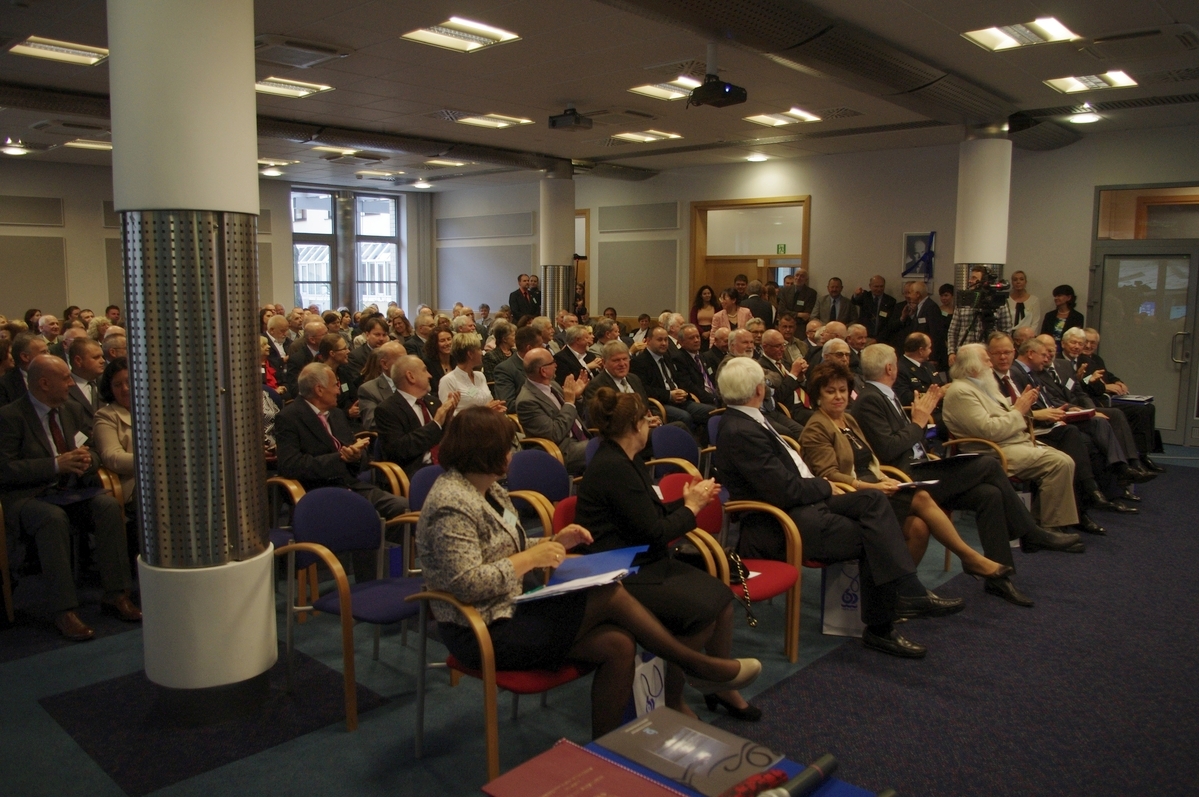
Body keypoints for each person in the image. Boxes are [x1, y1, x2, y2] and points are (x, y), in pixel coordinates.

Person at [417, 406, 760, 737]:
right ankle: (697, 666)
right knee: (607, 592)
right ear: (486, 451)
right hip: (480, 628)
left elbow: (507, 547)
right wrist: (533, 557)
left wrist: (554, 541)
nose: (512, 453)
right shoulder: (451, 502)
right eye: (508, 446)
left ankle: (605, 752)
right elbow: (466, 584)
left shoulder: (489, 488)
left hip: (514, 606)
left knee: (618, 644)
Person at [711, 357, 963, 659]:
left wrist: (824, 487)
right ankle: (882, 626)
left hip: (804, 503)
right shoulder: (741, 430)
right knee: (874, 534)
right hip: (782, 520)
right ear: (758, 390)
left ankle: (907, 591)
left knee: (874, 501)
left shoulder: (751, 419)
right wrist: (825, 485)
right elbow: (784, 490)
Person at [576, 388, 758, 720]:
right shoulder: (613, 467)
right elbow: (655, 532)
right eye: (646, 419)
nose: (650, 424)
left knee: (721, 599)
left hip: (645, 559)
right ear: (636, 425)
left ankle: (718, 686)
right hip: (622, 572)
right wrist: (692, 508)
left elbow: (649, 517)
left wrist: (686, 502)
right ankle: (673, 698)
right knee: (698, 614)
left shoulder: (625, 459)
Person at [851, 344, 1083, 603]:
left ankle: (999, 579)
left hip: (920, 466)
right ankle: (1030, 533)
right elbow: (888, 448)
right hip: (904, 477)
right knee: (988, 464)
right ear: (890, 368)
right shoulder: (870, 398)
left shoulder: (885, 394)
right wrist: (918, 422)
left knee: (989, 494)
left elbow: (911, 439)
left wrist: (921, 422)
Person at [801, 360, 1010, 579]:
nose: (838, 396)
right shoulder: (817, 427)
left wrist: (884, 477)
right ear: (818, 396)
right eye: (830, 391)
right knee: (921, 497)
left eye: (842, 390)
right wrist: (873, 486)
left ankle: (901, 589)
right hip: (851, 494)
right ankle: (970, 558)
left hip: (874, 485)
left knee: (918, 527)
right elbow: (829, 475)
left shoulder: (848, 420)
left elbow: (869, 461)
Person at [0, 355, 140, 640]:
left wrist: (86, 460)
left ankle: (117, 594)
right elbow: (5, 469)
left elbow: (95, 451)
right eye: (65, 378)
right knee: (52, 519)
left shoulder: (71, 410)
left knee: (107, 505)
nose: (71, 384)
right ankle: (64, 610)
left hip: (70, 491)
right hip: (30, 496)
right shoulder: (11, 416)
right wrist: (55, 465)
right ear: (44, 383)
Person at [942, 344, 1085, 540]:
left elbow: (1006, 416)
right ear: (973, 366)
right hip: (990, 451)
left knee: (1065, 458)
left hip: (1012, 442)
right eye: (987, 360)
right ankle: (1049, 527)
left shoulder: (984, 385)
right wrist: (1019, 410)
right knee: (1059, 463)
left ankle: (1039, 523)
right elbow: (989, 431)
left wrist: (1022, 407)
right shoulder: (961, 392)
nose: (991, 364)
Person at [989, 334, 1110, 535]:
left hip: (1031, 429)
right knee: (1073, 439)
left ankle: (1085, 502)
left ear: (1013, 352)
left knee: (1084, 441)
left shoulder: (1012, 375)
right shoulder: (992, 380)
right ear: (989, 356)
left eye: (1007, 352)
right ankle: (1086, 499)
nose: (1003, 357)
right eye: (997, 353)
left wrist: (1051, 412)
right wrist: (1039, 414)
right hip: (1017, 436)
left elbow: (1035, 404)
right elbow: (1002, 417)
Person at [1081, 327, 1162, 473]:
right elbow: (1084, 382)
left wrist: (1117, 382)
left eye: (1093, 343)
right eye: (1086, 341)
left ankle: (1143, 454)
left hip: (1110, 397)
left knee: (1148, 408)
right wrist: (1105, 387)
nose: (1088, 346)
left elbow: (1108, 375)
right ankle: (1133, 459)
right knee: (1137, 411)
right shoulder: (1079, 360)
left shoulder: (1097, 359)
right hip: (1099, 400)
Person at [376, 354, 460, 477]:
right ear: (411, 376)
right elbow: (399, 450)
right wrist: (436, 423)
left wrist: (448, 420)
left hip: (446, 465)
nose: (430, 375)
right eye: (425, 370)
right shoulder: (387, 410)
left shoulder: (433, 402)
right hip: (415, 473)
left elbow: (445, 439)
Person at [515, 347, 591, 474]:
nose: (556, 365)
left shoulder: (553, 385)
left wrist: (576, 397)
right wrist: (569, 402)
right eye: (552, 362)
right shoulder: (527, 401)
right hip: (561, 450)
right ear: (543, 371)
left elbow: (572, 414)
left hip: (580, 437)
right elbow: (554, 434)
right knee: (605, 448)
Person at [631, 327, 716, 432]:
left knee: (712, 411)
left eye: (666, 340)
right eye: (659, 340)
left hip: (680, 400)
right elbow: (644, 390)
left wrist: (684, 393)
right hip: (661, 403)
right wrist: (669, 395)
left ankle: (705, 441)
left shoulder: (668, 356)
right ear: (648, 341)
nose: (664, 343)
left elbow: (678, 380)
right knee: (684, 417)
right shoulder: (639, 362)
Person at [92, 357, 136, 507]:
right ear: (110, 389)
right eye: (117, 385)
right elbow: (113, 458)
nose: (125, 389)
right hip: (135, 487)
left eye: (129, 381)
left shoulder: (159, 409)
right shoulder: (105, 416)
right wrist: (156, 462)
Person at [947, 266, 1014, 358]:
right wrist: (951, 352)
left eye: (974, 278)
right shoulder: (964, 300)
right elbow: (953, 331)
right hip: (965, 354)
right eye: (970, 278)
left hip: (989, 354)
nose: (970, 281)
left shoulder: (998, 302)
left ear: (984, 281)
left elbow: (1006, 331)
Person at [440, 332, 504, 411]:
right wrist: (484, 410)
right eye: (479, 349)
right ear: (470, 354)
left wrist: (496, 407)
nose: (482, 353)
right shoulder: (448, 381)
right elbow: (447, 414)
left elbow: (490, 402)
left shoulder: (480, 376)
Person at [894, 280, 948, 367]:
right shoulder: (920, 307)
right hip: (920, 355)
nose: (909, 296)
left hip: (930, 357)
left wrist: (933, 357)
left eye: (910, 293)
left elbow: (936, 334)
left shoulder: (931, 307)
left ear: (917, 294)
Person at [356, 341, 405, 431]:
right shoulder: (369, 390)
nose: (407, 364)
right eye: (401, 361)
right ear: (384, 364)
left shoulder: (416, 382)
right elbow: (371, 423)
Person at [493, 324, 540, 406]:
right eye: (540, 346)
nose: (543, 349)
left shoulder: (542, 364)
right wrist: (541, 404)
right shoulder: (505, 369)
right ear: (529, 348)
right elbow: (507, 403)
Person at [65, 337, 106, 428]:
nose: (102, 361)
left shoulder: (107, 383)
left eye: (102, 356)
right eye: (96, 357)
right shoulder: (63, 387)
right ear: (78, 361)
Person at [0, 331, 49, 406]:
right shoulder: (4, 385)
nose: (49, 356)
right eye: (43, 352)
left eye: (48, 351)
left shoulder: (54, 375)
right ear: (25, 357)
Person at [1040, 285, 1085, 357]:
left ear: (1069, 297)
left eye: (1059, 295)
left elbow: (1076, 336)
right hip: (1048, 350)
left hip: (1067, 352)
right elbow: (1043, 334)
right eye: (1055, 296)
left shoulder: (1077, 317)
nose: (1056, 298)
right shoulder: (1049, 315)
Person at [851, 275, 897, 342]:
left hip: (882, 338)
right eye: (876, 286)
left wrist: (877, 339)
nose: (879, 289)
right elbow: (854, 301)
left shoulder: (890, 301)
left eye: (881, 286)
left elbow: (889, 324)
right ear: (870, 286)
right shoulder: (865, 296)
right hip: (864, 337)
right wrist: (856, 295)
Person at [423, 328, 454, 398]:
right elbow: (428, 391)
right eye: (442, 341)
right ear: (434, 344)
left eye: (449, 339)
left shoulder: (457, 359)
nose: (447, 343)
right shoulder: (427, 363)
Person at [690, 285, 718, 349]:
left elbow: (718, 321)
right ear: (701, 295)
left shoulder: (716, 307)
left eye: (709, 293)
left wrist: (710, 332)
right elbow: (693, 322)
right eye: (704, 294)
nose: (707, 295)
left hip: (712, 331)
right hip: (699, 332)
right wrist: (702, 332)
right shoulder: (695, 308)